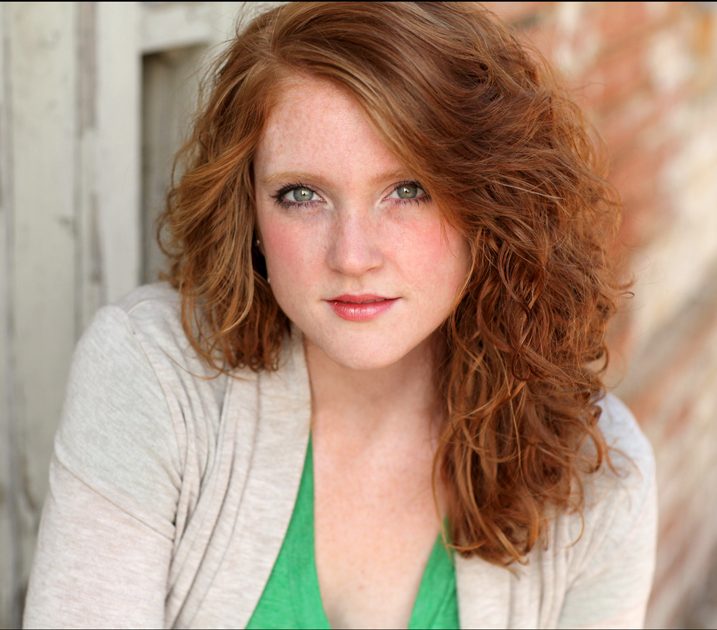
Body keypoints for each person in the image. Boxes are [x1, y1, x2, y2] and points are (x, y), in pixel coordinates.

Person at [23, 2, 657, 628]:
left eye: (408, 190)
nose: (352, 256)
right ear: (248, 211)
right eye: (302, 195)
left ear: (492, 203)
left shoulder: (595, 474)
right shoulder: (154, 378)